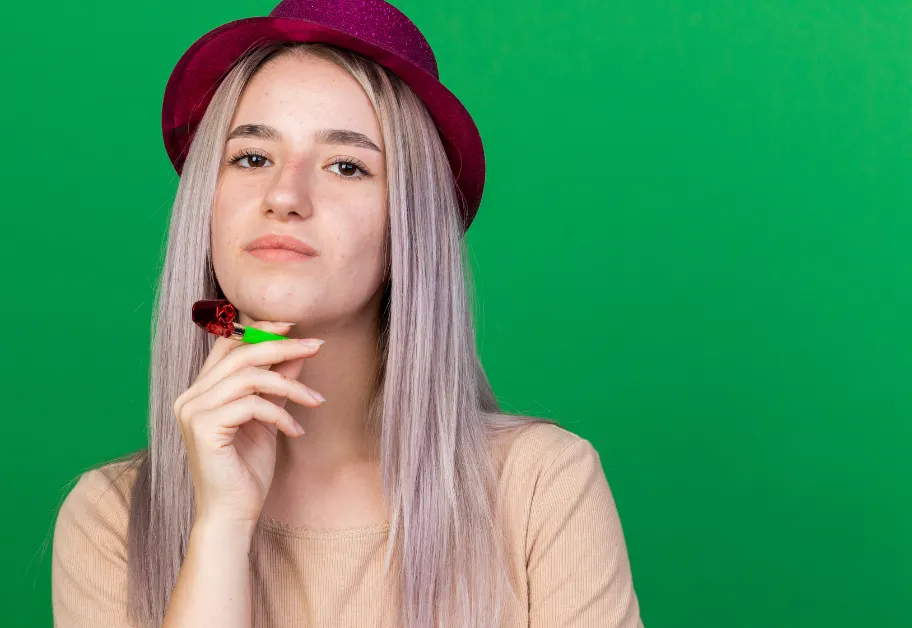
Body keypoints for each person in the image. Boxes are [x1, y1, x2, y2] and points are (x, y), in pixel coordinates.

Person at [52, 1, 643, 626]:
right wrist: (221, 524)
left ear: (405, 234)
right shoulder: (111, 518)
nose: (284, 196)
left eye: (347, 166)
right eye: (252, 157)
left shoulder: (538, 488)